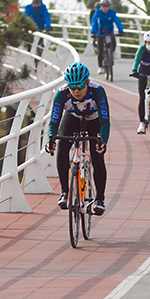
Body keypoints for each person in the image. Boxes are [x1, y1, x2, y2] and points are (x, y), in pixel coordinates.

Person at [45, 62, 111, 215]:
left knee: (97, 156)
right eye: (72, 86)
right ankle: (64, 192)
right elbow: (54, 121)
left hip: (94, 121)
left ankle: (99, 199)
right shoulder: (61, 94)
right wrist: (51, 140)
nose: (76, 90)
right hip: (72, 119)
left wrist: (103, 141)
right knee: (62, 149)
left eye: (80, 86)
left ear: (87, 82)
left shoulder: (98, 91)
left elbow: (105, 121)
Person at [90, 0, 125, 72]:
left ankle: (110, 55)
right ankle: (100, 67)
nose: (105, 8)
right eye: (103, 6)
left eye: (107, 6)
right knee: (100, 49)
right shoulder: (98, 12)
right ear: (101, 6)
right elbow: (94, 22)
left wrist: (121, 30)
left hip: (109, 32)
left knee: (113, 43)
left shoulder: (112, 12)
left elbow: (117, 21)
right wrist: (93, 32)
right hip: (100, 33)